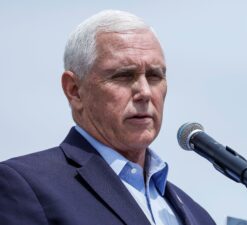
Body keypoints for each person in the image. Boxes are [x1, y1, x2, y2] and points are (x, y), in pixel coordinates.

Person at [0, 10, 216, 225]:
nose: (145, 92)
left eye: (154, 76)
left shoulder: (198, 215)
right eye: (124, 75)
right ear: (74, 90)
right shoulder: (25, 184)